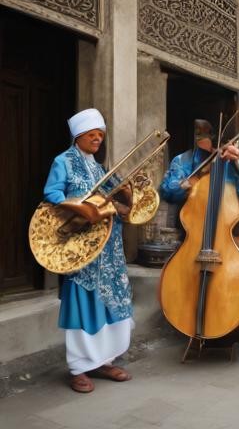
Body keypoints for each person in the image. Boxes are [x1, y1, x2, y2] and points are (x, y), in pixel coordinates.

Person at [44, 109, 134, 393]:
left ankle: (104, 362)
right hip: (81, 250)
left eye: (100, 135)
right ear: (78, 136)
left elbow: (118, 202)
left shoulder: (100, 168)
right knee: (84, 304)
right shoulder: (63, 162)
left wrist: (127, 195)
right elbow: (52, 194)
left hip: (109, 250)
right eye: (92, 134)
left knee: (110, 302)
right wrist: (81, 206)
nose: (97, 139)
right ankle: (80, 367)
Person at [160, 119, 239, 206]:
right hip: (192, 222)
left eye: (207, 134)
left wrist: (238, 164)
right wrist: (185, 184)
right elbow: (167, 194)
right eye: (199, 134)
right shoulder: (183, 160)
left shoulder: (232, 165)